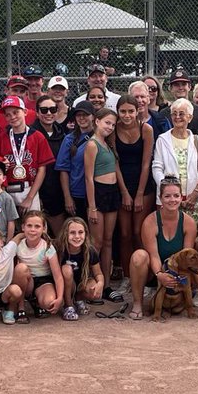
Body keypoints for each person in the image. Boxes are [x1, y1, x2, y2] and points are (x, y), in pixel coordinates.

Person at [127, 178, 198, 320]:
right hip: (154, 272)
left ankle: (179, 296)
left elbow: (187, 256)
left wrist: (176, 277)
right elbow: (154, 255)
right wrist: (160, 275)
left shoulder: (188, 222)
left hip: (178, 269)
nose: (172, 200)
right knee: (139, 256)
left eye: (176, 196)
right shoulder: (150, 221)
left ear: (181, 197)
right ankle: (138, 303)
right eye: (167, 196)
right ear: (160, 198)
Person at [111, 96, 155, 290]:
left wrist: (138, 194)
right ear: (118, 112)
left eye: (131, 111)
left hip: (143, 186)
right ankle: (128, 276)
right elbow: (115, 162)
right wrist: (124, 192)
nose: (127, 115)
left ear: (137, 111)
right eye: (123, 111)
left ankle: (143, 275)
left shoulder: (146, 129)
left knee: (139, 232)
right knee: (125, 233)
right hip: (121, 184)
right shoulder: (113, 130)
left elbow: (146, 163)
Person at [0, 95, 54, 212]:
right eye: (8, 114)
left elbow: (42, 169)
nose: (12, 117)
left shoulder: (37, 136)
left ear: (25, 112)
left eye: (16, 112)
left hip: (29, 189)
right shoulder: (0, 138)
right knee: (8, 223)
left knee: (32, 222)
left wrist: (30, 198)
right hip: (5, 190)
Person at [151, 99, 198, 218]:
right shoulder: (162, 140)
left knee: (192, 228)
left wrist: (196, 193)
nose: (177, 117)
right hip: (168, 201)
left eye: (181, 114)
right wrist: (168, 191)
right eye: (174, 114)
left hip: (192, 200)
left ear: (190, 117)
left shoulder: (197, 141)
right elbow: (157, 168)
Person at [84, 107, 122, 279]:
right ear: (97, 121)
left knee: (108, 241)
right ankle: (89, 279)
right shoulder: (92, 144)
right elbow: (88, 178)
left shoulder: (107, 144)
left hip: (112, 192)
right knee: (96, 242)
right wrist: (92, 207)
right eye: (107, 123)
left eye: (113, 125)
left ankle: (105, 283)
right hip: (98, 193)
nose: (110, 127)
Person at [11, 210, 63, 322]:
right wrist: (18, 236)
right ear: (23, 227)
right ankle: (21, 307)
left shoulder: (47, 247)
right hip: (26, 280)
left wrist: (59, 298)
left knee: (49, 302)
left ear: (44, 229)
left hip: (43, 281)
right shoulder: (18, 244)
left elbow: (58, 276)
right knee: (20, 268)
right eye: (29, 226)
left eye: (37, 226)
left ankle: (36, 302)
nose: (33, 230)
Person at [31, 95, 69, 236]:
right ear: (37, 113)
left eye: (52, 109)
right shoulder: (30, 134)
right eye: (44, 110)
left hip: (58, 192)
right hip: (36, 192)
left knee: (59, 236)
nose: (48, 113)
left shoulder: (62, 134)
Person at [57, 216, 105, 319]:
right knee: (67, 269)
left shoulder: (90, 250)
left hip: (81, 283)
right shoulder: (59, 249)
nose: (77, 236)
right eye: (72, 233)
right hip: (64, 284)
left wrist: (100, 283)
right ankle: (68, 305)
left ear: (86, 234)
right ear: (65, 233)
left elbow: (98, 273)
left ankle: (78, 299)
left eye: (80, 232)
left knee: (93, 291)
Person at [56, 101, 96, 222]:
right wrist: (67, 197)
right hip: (77, 193)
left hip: (98, 192)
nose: (82, 118)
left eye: (85, 114)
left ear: (93, 116)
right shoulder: (69, 139)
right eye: (78, 115)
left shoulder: (101, 136)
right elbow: (63, 170)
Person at [156, 68, 198, 134]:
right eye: (176, 85)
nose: (180, 88)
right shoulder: (164, 114)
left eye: (183, 84)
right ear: (170, 88)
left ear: (189, 87)